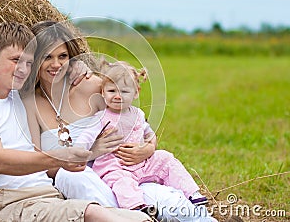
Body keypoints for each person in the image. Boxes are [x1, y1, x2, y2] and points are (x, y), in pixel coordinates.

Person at [0, 21, 151, 222]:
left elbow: (54, 75)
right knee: (93, 213)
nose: (22, 69)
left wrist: (76, 65)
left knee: (139, 219)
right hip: (9, 202)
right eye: (15, 60)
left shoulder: (18, 98)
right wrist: (61, 158)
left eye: (29, 63)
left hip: (46, 194)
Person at [23, 20, 218, 222]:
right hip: (86, 185)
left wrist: (149, 148)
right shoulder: (30, 103)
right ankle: (131, 216)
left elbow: (134, 123)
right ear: (35, 59)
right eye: (47, 57)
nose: (56, 64)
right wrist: (91, 153)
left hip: (125, 176)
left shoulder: (91, 86)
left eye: (62, 56)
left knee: (172, 204)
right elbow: (36, 162)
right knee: (69, 176)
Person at [75, 60, 208, 211]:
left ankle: (192, 193)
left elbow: (149, 134)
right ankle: (136, 207)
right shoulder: (101, 117)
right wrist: (79, 151)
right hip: (115, 166)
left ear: (136, 93)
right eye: (112, 91)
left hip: (142, 164)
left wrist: (150, 147)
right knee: (122, 182)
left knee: (165, 157)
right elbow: (85, 138)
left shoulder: (138, 114)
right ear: (103, 93)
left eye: (124, 92)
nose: (118, 96)